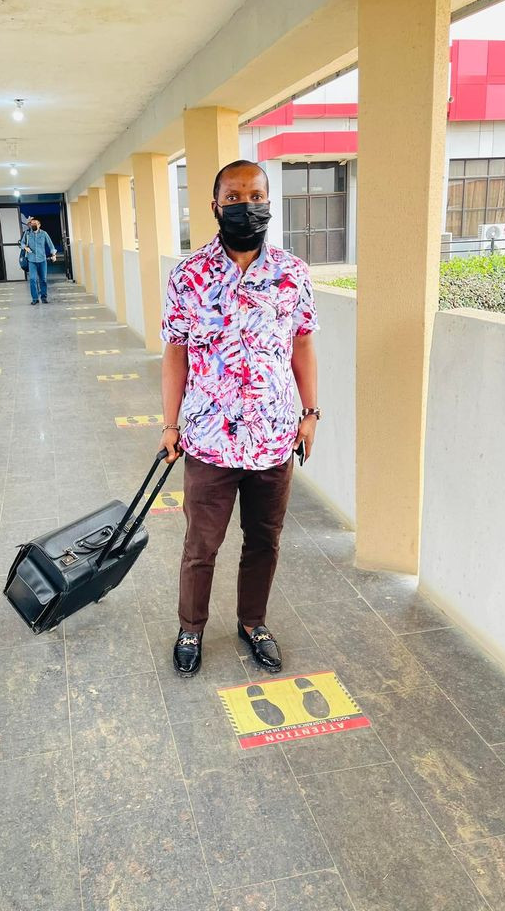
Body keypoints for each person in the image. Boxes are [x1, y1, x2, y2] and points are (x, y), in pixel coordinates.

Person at [160, 160, 320, 677]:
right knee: (201, 545)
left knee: (264, 541)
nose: (245, 205)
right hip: (209, 439)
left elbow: (302, 346)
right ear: (215, 206)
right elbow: (175, 354)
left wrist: (310, 413)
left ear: (269, 202)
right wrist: (170, 425)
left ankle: (253, 623)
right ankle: (191, 627)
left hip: (273, 436)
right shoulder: (188, 275)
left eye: (255, 196)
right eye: (233, 197)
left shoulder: (292, 273)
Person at [21, 217, 57, 304]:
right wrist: (25, 247)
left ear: (39, 225)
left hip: (42, 260)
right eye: (32, 224)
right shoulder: (27, 234)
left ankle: (44, 297)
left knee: (43, 279)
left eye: (35, 224)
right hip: (31, 260)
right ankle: (35, 299)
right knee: (32, 279)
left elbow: (51, 245)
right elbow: (22, 243)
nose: (33, 225)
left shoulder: (44, 234)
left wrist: (54, 255)